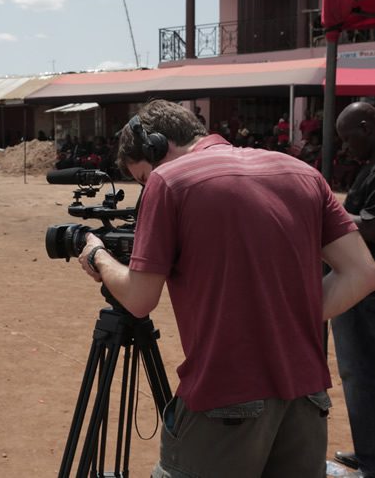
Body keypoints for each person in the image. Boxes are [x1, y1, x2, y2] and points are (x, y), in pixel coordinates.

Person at [77, 99, 375, 477]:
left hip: (224, 396)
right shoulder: (304, 174)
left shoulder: (169, 181)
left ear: (154, 146)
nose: (144, 190)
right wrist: (284, 318)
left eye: (142, 180)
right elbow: (362, 272)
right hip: (306, 397)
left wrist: (98, 255)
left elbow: (139, 299)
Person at [331, 101, 375, 478]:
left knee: (362, 372)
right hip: (359, 286)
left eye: (348, 138)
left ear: (367, 126)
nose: (346, 148)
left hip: (367, 290)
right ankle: (368, 451)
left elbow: (371, 227)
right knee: (358, 374)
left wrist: (323, 216)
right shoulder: (368, 170)